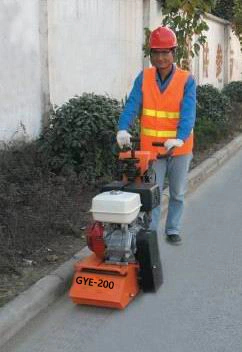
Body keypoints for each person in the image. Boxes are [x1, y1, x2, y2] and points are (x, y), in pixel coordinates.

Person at [116, 26, 196, 244]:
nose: (160, 58)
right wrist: (123, 127)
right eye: (156, 53)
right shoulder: (144, 77)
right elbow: (132, 104)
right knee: (153, 193)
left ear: (173, 53)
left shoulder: (186, 80)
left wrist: (179, 137)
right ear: (150, 54)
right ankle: (150, 234)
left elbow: (188, 114)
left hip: (179, 148)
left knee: (178, 193)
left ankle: (172, 229)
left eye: (165, 52)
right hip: (152, 151)